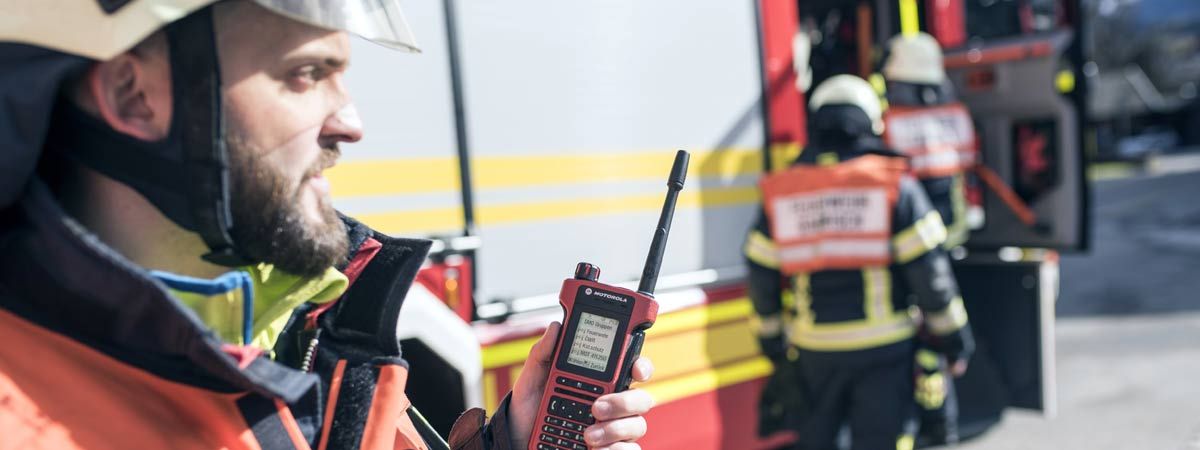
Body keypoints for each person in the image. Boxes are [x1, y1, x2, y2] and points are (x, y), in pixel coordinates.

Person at [0, 1, 653, 449]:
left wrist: (511, 442)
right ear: (133, 97)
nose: (351, 123)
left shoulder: (301, 327)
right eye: (306, 74)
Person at [744, 75, 974, 450]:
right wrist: (955, 343)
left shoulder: (783, 191)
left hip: (814, 353)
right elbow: (931, 275)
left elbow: (761, 276)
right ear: (870, 121)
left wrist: (773, 346)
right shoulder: (894, 185)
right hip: (884, 352)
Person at [881, 32, 981, 445]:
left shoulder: (889, 121)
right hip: (948, 238)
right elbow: (966, 167)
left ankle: (923, 422)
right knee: (938, 332)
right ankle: (941, 425)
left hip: (908, 243)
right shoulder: (956, 114)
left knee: (914, 334)